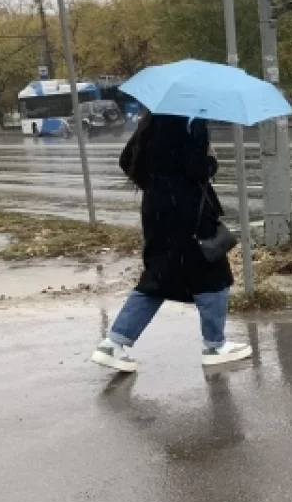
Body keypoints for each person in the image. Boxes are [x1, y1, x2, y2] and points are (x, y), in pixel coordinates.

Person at [91, 112, 251, 373]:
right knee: (214, 273)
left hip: (156, 212)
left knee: (159, 277)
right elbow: (196, 169)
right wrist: (211, 159)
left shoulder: (151, 121)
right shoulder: (191, 121)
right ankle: (214, 345)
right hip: (189, 214)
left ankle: (113, 344)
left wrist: (158, 186)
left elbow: (125, 160)